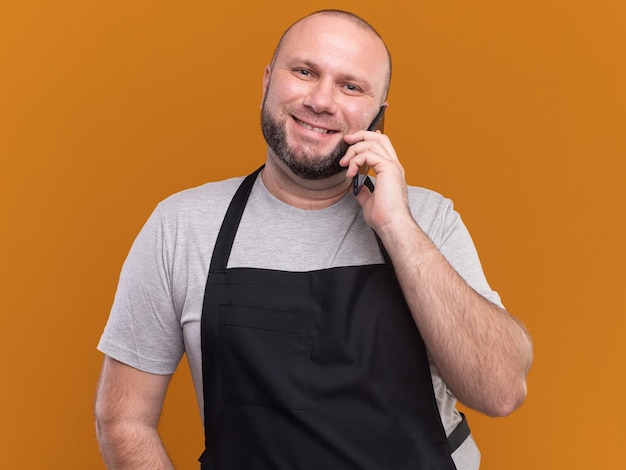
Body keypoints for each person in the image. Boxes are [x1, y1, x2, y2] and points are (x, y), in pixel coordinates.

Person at [95, 9, 533, 470]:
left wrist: (397, 228)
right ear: (267, 81)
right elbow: (124, 418)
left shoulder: (428, 219)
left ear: (377, 116)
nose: (322, 101)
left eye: (351, 86)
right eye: (304, 72)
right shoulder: (181, 227)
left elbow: (501, 389)